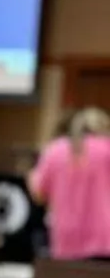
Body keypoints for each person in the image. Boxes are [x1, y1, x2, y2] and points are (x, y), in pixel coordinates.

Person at [29, 106, 110, 261]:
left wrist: (32, 176)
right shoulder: (107, 149)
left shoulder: (54, 150)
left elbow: (39, 194)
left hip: (65, 240)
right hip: (105, 240)